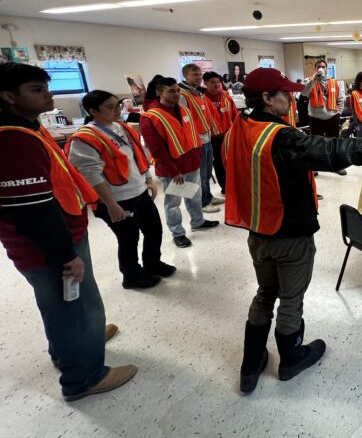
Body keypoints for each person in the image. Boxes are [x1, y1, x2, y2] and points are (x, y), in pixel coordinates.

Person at [225, 68, 362, 393]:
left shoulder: (238, 129)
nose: (292, 98)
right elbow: (337, 150)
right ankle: (291, 359)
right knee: (291, 299)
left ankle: (250, 366)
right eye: (285, 94)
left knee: (265, 294)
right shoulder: (280, 138)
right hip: (288, 235)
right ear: (266, 98)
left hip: (256, 232)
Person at [0, 62, 137, 401]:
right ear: (8, 96)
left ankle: (73, 345)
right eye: (36, 89)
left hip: (57, 232)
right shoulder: (13, 140)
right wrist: (66, 255)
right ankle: (84, 377)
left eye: (46, 86)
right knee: (73, 303)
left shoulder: (27, 127)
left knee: (62, 304)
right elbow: (31, 210)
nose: (48, 94)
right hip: (47, 243)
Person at [66, 91, 174, 289]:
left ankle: (152, 263)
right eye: (110, 107)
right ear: (93, 111)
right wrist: (110, 204)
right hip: (117, 199)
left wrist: (148, 179)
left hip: (139, 191)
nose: (118, 110)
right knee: (128, 238)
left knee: (153, 230)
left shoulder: (122, 127)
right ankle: (131, 275)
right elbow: (90, 175)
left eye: (118, 105)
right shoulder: (85, 138)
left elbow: (137, 155)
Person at [140, 76, 219, 248]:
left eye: (177, 90)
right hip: (173, 170)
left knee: (195, 196)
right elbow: (156, 149)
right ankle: (178, 233)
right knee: (173, 203)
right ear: (160, 92)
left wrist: (197, 157)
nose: (176, 94)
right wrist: (173, 171)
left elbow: (191, 135)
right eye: (171, 91)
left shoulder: (184, 110)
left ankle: (197, 221)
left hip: (191, 163)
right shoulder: (151, 116)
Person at [179, 64, 222, 212]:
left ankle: (208, 196)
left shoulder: (198, 93)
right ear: (186, 76)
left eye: (199, 74)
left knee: (208, 171)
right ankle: (203, 202)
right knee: (201, 174)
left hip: (207, 137)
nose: (198, 77)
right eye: (194, 74)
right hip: (197, 141)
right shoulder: (183, 95)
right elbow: (181, 120)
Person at [300, 59, 347, 175]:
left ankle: (336, 166)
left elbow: (341, 99)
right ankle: (315, 167)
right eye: (319, 66)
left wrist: (338, 113)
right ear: (315, 69)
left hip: (332, 117)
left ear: (327, 69)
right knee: (316, 144)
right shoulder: (308, 81)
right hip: (316, 118)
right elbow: (303, 93)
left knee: (334, 143)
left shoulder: (334, 82)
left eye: (323, 66)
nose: (321, 68)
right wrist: (314, 79)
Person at [203, 71, 239, 194]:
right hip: (213, 138)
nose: (216, 84)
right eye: (212, 82)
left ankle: (235, 185)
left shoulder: (225, 95)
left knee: (232, 161)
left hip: (229, 135)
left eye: (218, 82)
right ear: (205, 83)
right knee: (219, 163)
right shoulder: (202, 99)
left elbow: (234, 113)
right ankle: (225, 188)